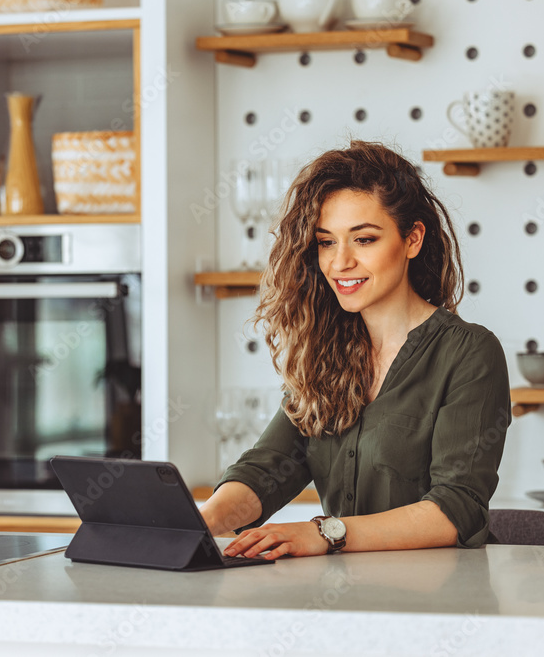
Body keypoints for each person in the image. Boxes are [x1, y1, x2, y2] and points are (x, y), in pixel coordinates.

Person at [200, 141, 510, 559]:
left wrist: (326, 532)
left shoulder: (470, 353)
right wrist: (202, 521)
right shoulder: (324, 353)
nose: (339, 262)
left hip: (440, 604)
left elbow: (456, 510)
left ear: (413, 239)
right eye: (326, 242)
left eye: (363, 239)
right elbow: (267, 469)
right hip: (344, 596)